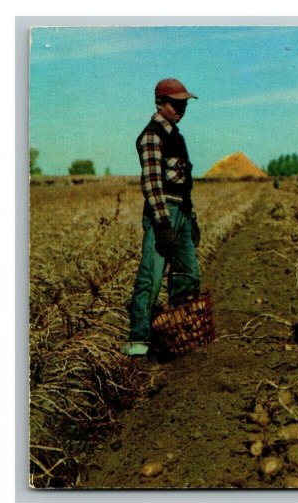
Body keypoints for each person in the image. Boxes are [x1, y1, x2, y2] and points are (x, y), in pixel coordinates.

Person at [123, 78, 201, 356]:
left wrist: (191, 220)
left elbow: (184, 182)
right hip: (163, 213)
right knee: (151, 278)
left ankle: (179, 331)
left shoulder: (176, 136)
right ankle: (139, 340)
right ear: (160, 103)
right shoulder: (151, 136)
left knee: (188, 275)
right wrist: (164, 225)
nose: (180, 108)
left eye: (183, 103)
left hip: (181, 211)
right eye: (175, 103)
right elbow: (153, 185)